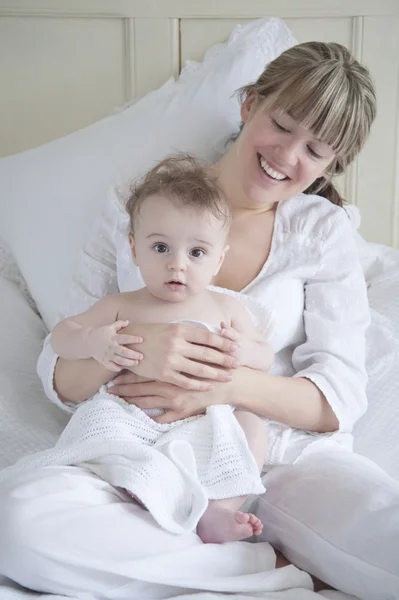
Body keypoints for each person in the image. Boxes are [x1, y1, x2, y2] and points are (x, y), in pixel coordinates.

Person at [1, 41, 398, 600]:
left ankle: (201, 549)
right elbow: (62, 374)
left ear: (331, 166)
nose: (288, 156)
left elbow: (336, 398)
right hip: (145, 450)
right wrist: (140, 346)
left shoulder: (321, 232)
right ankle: (259, 570)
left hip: (280, 457)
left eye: (316, 149)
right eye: (282, 125)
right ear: (250, 105)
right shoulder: (136, 203)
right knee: (20, 524)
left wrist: (227, 385)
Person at [49, 154, 272, 543]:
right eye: (161, 248)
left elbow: (264, 355)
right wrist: (92, 342)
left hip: (202, 422)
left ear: (219, 259)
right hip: (130, 419)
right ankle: (130, 488)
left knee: (253, 425)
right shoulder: (123, 304)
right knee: (98, 426)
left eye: (196, 253)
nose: (177, 265)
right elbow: (62, 334)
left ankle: (219, 508)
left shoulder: (226, 308)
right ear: (134, 250)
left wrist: (244, 353)